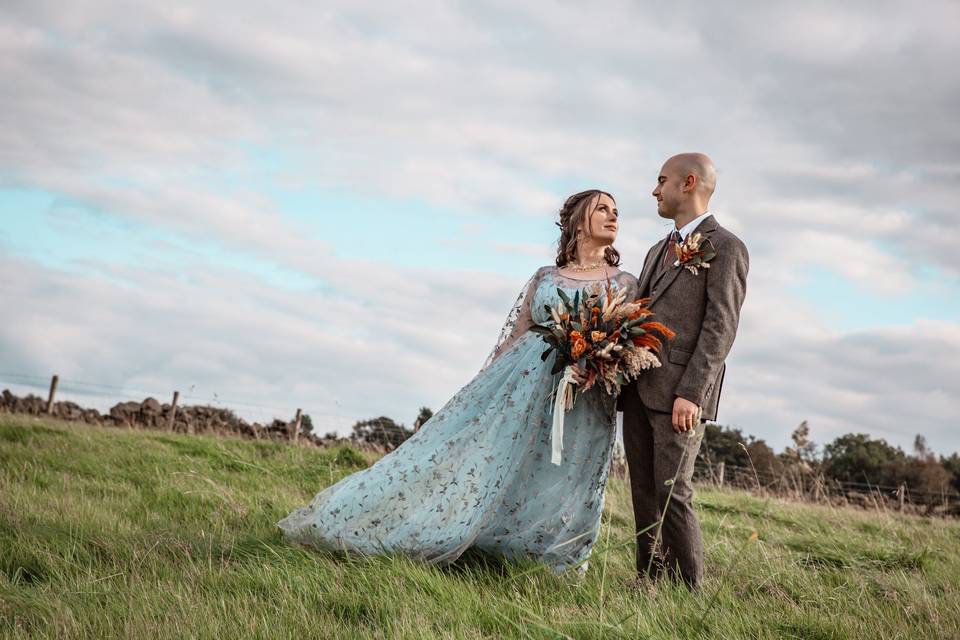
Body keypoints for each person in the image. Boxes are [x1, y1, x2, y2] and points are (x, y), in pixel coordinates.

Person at [278, 190, 638, 573]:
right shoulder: (544, 277)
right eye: (602, 208)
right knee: (486, 460)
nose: (613, 216)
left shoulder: (625, 283)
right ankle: (451, 536)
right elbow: (516, 334)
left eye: (616, 211)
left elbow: (627, 346)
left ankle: (552, 562)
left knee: (566, 472)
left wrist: (596, 368)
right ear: (578, 221)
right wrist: (483, 389)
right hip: (520, 385)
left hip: (582, 392)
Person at [620, 153, 749, 591]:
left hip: (680, 395)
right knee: (642, 490)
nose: (655, 191)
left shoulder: (726, 246)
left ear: (688, 183)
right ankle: (648, 580)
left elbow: (721, 327)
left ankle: (687, 590)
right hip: (639, 387)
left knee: (674, 490)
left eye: (661, 181)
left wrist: (692, 392)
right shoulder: (657, 249)